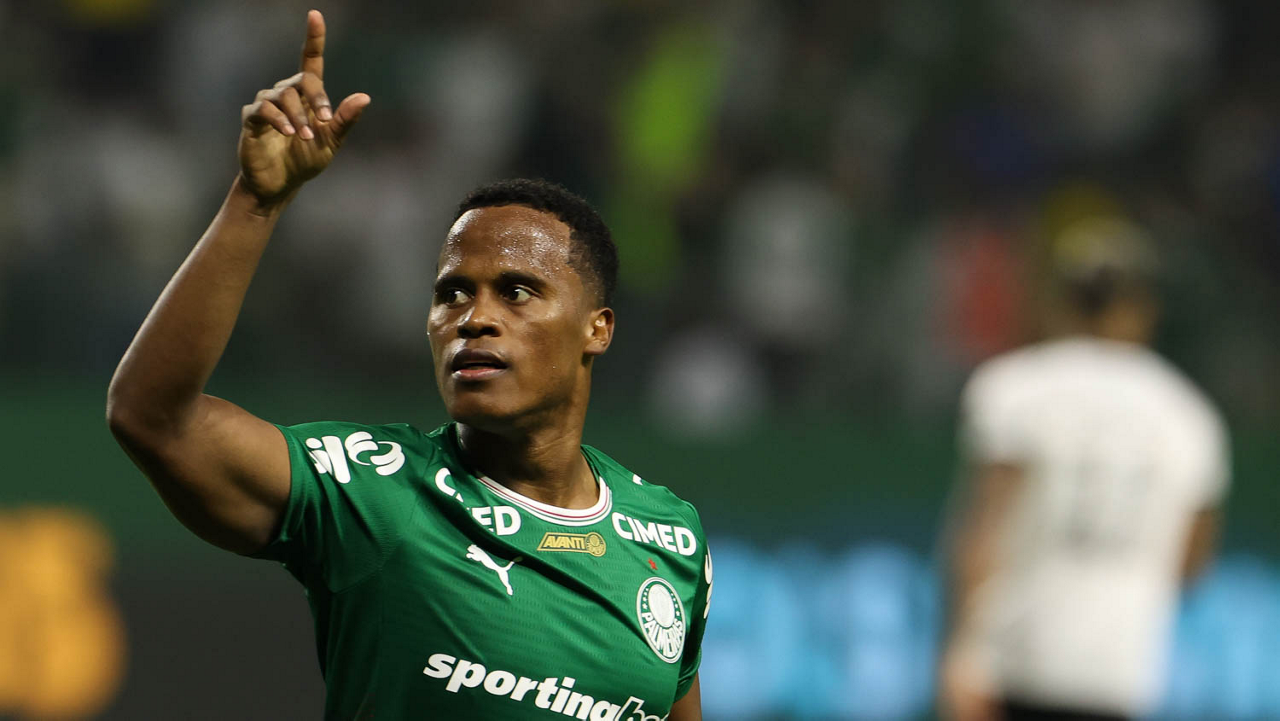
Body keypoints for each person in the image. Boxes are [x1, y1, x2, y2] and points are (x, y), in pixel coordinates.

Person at [106, 11, 710, 720]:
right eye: (452, 294)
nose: (474, 317)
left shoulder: (670, 537)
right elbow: (152, 417)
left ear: (597, 329)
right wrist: (256, 203)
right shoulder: (377, 494)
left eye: (517, 292)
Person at [937, 217, 1229, 721]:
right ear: (1143, 309)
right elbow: (1192, 564)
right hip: (1117, 670)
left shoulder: (1016, 388)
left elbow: (985, 531)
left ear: (1059, 302)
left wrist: (961, 651)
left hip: (1017, 659)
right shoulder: (1187, 415)